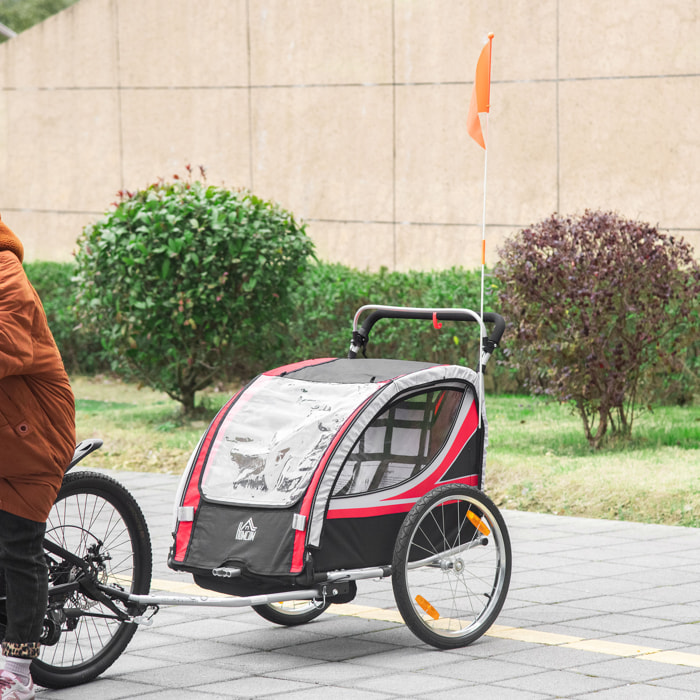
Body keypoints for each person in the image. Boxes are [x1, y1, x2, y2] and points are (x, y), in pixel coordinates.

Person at [0, 215, 75, 699]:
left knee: (16, 545)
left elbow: (9, 343)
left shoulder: (5, 270)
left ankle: (18, 673)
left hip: (32, 434)